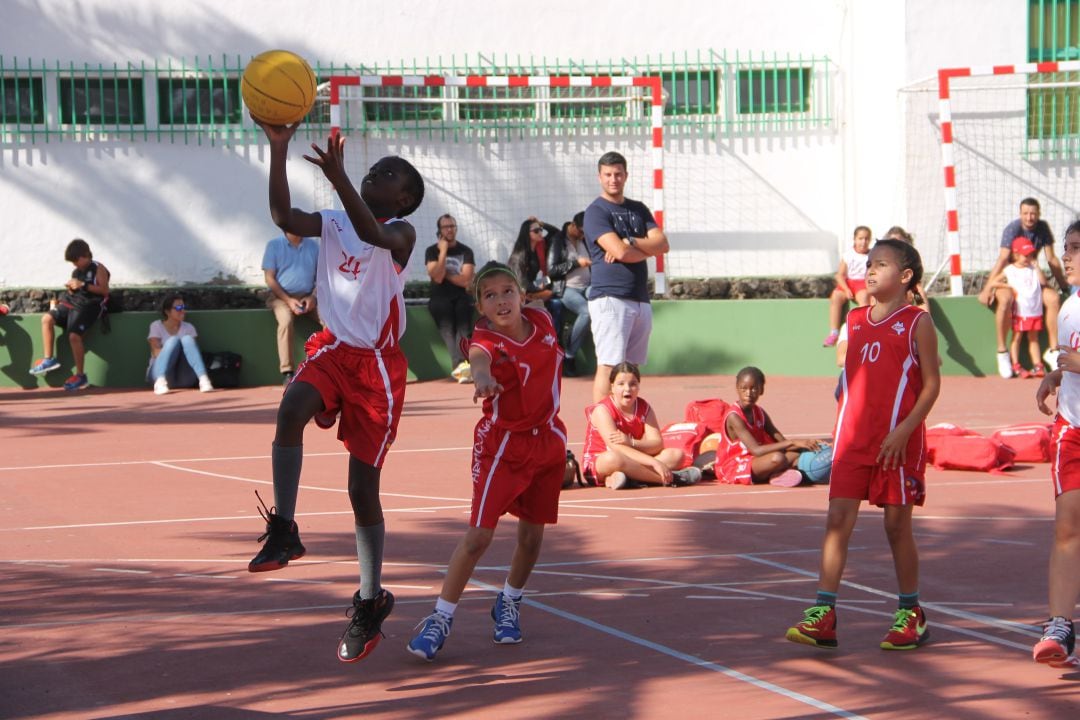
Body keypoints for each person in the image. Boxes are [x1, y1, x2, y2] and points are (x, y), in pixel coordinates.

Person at [246, 117, 425, 666]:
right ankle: (284, 529)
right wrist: (278, 148)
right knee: (290, 407)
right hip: (333, 349)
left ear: (404, 197)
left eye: (388, 172)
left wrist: (342, 177)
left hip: (376, 368)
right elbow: (282, 216)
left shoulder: (400, 234)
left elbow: (371, 233)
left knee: (360, 490)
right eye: (374, 167)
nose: (377, 170)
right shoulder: (330, 220)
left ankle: (371, 601)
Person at [406, 261, 567, 661]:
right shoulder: (486, 342)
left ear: (522, 295)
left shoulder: (543, 321)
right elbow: (478, 361)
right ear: (480, 307)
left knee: (531, 538)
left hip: (547, 440)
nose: (501, 300)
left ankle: (509, 601)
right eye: (490, 295)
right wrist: (481, 379)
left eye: (506, 291)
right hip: (503, 446)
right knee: (479, 536)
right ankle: (440, 618)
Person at [786, 239, 940, 651]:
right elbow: (849, 377)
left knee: (895, 526)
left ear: (906, 277)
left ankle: (911, 612)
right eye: (869, 264)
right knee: (837, 521)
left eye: (881, 265)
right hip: (852, 441)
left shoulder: (917, 322)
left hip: (896, 442)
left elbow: (931, 386)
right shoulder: (854, 320)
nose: (870, 271)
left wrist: (904, 430)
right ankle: (824, 613)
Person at [1032, 218, 1080, 670]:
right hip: (1073, 429)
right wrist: (1058, 374)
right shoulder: (1069, 306)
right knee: (1067, 527)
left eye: (1077, 248)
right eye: (1066, 247)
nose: (1067, 255)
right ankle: (1060, 625)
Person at [584, 151, 669, 402]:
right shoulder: (596, 212)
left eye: (618, 174)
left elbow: (662, 243)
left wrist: (631, 242)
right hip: (610, 298)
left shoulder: (638, 209)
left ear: (626, 176)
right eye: (608, 174)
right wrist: (643, 250)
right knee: (610, 367)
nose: (614, 179)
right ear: (600, 177)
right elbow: (619, 251)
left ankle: (627, 423)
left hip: (639, 298)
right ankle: (600, 428)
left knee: (631, 371)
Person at [979, 198, 1067, 378]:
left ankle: (1052, 350)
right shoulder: (1012, 229)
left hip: (1031, 276)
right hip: (1011, 278)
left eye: (1033, 213)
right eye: (1026, 213)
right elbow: (1003, 258)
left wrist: (1064, 285)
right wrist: (988, 288)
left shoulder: (1042, 228)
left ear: (1038, 214)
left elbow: (1051, 259)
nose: (1030, 217)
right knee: (1005, 300)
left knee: (1053, 298)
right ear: (1020, 214)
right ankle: (1003, 352)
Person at [581, 362, 702, 489]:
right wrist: (654, 462)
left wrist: (631, 442)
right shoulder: (602, 410)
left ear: (638, 387)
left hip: (633, 458)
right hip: (601, 463)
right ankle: (673, 478)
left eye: (633, 384)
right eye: (621, 384)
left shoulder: (644, 408)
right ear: (612, 387)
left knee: (676, 455)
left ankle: (631, 478)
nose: (627, 389)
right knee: (613, 458)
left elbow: (657, 444)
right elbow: (617, 448)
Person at [716, 366, 823, 486]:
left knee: (799, 454)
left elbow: (781, 441)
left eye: (754, 389)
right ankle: (779, 474)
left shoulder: (760, 412)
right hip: (733, 466)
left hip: (756, 460)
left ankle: (777, 475)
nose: (748, 393)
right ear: (737, 389)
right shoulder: (734, 417)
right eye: (743, 388)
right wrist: (793, 442)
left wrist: (807, 445)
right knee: (778, 458)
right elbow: (756, 450)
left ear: (761, 390)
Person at [29, 238, 110, 391]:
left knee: (74, 336)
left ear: (85, 255)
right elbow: (76, 289)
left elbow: (105, 291)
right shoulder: (76, 271)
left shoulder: (98, 268)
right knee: (46, 319)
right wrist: (72, 288)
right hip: (71, 302)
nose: (74, 264)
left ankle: (80, 376)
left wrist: (83, 285)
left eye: (76, 260)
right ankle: (49, 360)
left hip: (90, 306)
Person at [263, 230, 319, 386]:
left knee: (330, 319)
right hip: (280, 297)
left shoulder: (313, 246)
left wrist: (313, 297)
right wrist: (288, 300)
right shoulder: (274, 245)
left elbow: (322, 275)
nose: (299, 227)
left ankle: (335, 366)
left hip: (309, 296)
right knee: (286, 322)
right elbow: (269, 278)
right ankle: (288, 372)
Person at [985, 237, 1047, 379]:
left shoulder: (1033, 269)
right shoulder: (1010, 270)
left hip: (1035, 311)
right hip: (1021, 311)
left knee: (1033, 338)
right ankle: (1016, 364)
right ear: (1016, 254)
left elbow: (1043, 282)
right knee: (1017, 337)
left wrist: (1037, 267)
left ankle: (1038, 364)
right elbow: (994, 281)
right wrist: (1008, 286)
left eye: (1030, 254)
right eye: (1025, 255)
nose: (1028, 257)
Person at [424, 214, 475, 383]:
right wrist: (443, 251)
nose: (450, 230)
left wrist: (444, 273)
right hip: (440, 297)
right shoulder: (432, 251)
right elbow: (437, 279)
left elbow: (466, 280)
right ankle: (458, 365)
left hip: (461, 296)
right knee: (447, 329)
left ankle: (464, 366)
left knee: (463, 329)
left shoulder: (465, 251)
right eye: (446, 227)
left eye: (452, 226)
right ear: (439, 230)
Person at [547, 212, 592, 376]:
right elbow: (552, 270)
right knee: (587, 312)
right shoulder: (558, 241)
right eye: (580, 231)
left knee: (606, 297)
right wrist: (575, 263)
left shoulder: (585, 240)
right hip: (566, 288)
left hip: (588, 285)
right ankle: (569, 355)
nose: (582, 235)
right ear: (572, 225)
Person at [147, 295, 214, 394]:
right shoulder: (156, 326)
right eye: (178, 308)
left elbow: (193, 354)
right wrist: (173, 348)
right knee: (173, 340)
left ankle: (203, 379)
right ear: (167, 312)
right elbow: (155, 352)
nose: (182, 311)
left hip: (184, 378)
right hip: (159, 374)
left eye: (183, 307)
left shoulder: (189, 328)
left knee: (187, 339)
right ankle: (160, 382)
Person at [508, 217, 562, 330]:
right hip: (518, 295)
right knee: (554, 304)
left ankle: (554, 340)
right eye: (536, 230)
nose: (540, 232)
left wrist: (542, 223)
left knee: (555, 298)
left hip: (529, 289)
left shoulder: (536, 250)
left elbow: (557, 232)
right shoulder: (520, 255)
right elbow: (520, 282)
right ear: (527, 234)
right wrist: (539, 291)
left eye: (540, 230)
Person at [823, 226, 872, 347]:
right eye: (860, 238)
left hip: (862, 284)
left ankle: (863, 330)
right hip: (848, 283)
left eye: (866, 239)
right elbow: (840, 275)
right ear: (854, 239)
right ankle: (834, 332)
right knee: (836, 297)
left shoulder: (872, 255)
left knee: (864, 298)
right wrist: (846, 289)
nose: (863, 242)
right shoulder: (848, 255)